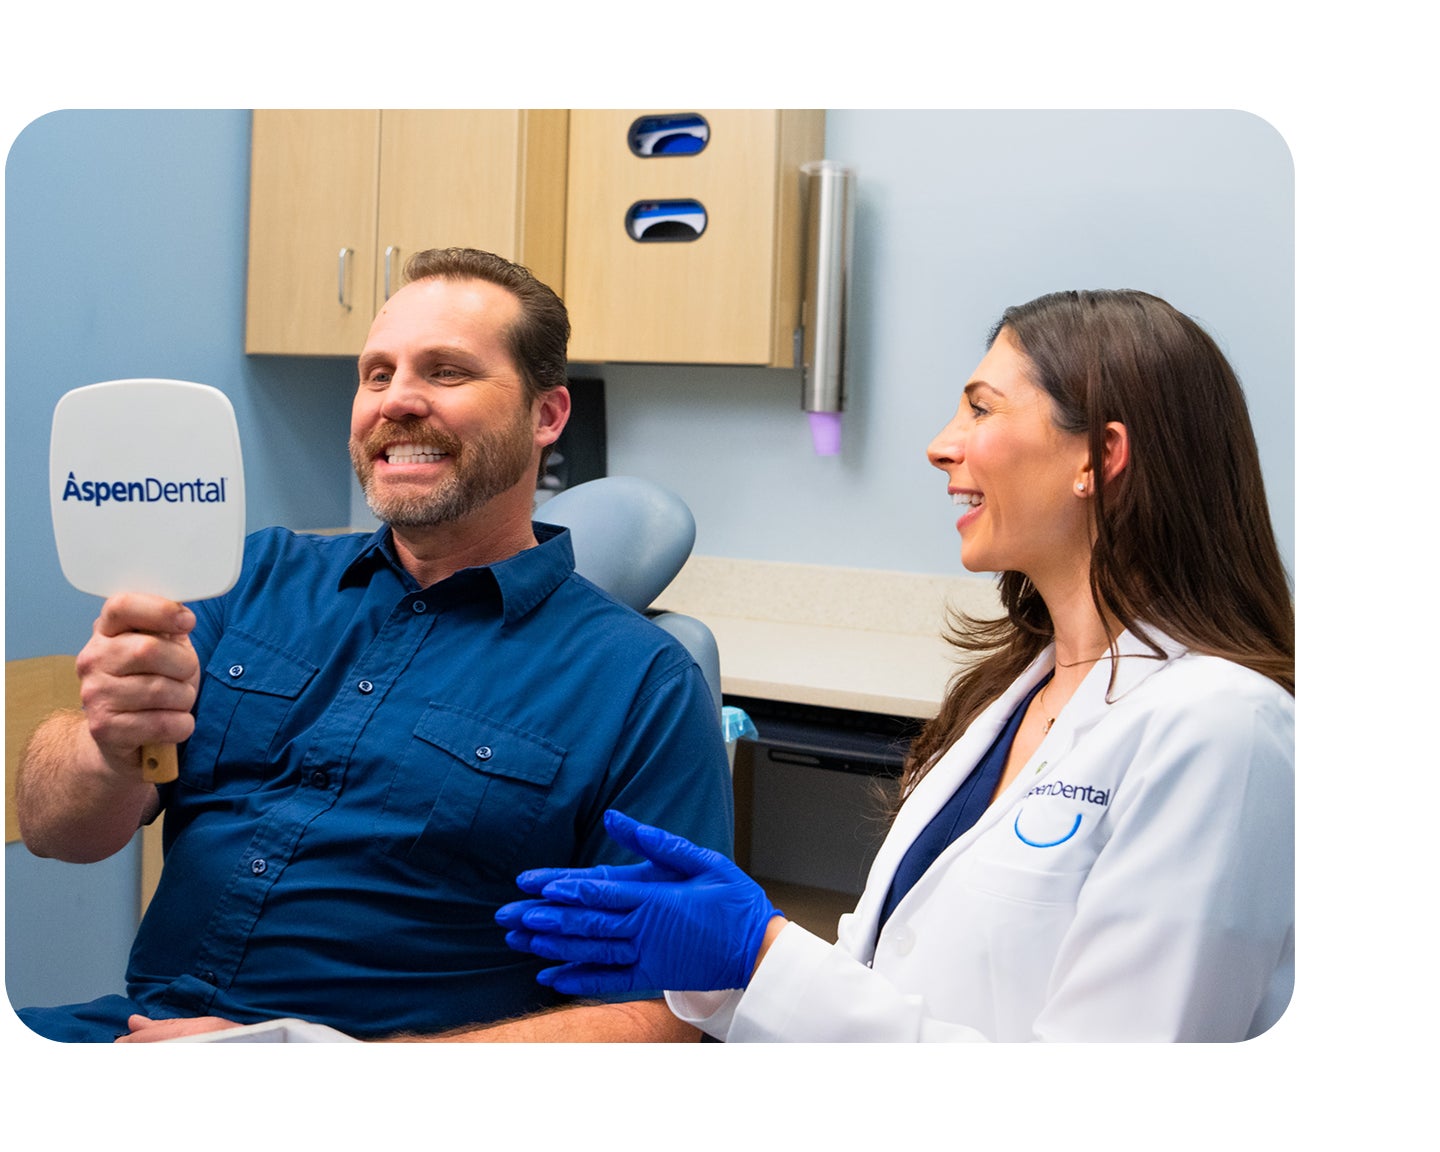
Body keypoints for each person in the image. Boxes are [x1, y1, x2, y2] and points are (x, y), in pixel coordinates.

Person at [497, 288, 1295, 1042]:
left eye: (981, 409)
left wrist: (763, 952)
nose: (940, 444)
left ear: (1100, 456)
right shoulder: (1014, 697)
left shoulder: (1222, 731)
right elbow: (889, 977)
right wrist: (734, 974)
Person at [15, 247, 733, 1043]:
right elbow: (54, 830)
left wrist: (317, 1070)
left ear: (547, 415)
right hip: (133, 1040)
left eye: (447, 371)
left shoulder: (637, 682)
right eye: (377, 374)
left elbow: (671, 1016)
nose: (398, 401)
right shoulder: (248, 577)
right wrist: (108, 747)